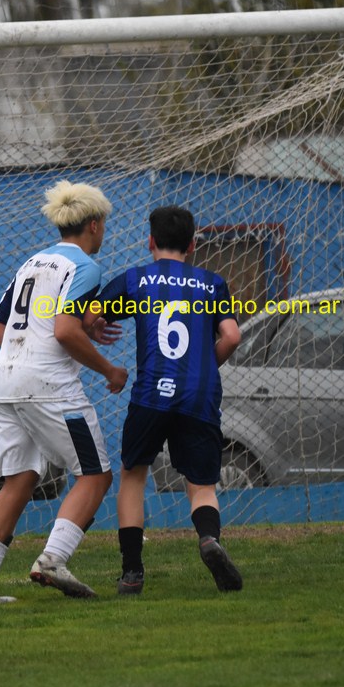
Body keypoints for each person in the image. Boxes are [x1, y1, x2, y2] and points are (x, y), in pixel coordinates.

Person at [0, 180, 128, 605]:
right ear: (93, 224)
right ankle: (53, 559)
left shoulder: (31, 262)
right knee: (96, 474)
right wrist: (109, 369)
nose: (103, 232)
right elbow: (65, 330)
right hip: (47, 385)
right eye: (104, 224)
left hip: (4, 380)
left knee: (19, 480)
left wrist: (66, 333)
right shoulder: (85, 267)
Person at [87, 205, 243, 594]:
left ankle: (132, 572)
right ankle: (208, 539)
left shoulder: (137, 280)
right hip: (200, 395)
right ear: (192, 244)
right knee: (201, 484)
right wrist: (209, 363)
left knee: (134, 475)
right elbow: (232, 336)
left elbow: (89, 316)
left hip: (152, 395)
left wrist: (97, 329)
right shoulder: (212, 283)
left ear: (150, 242)